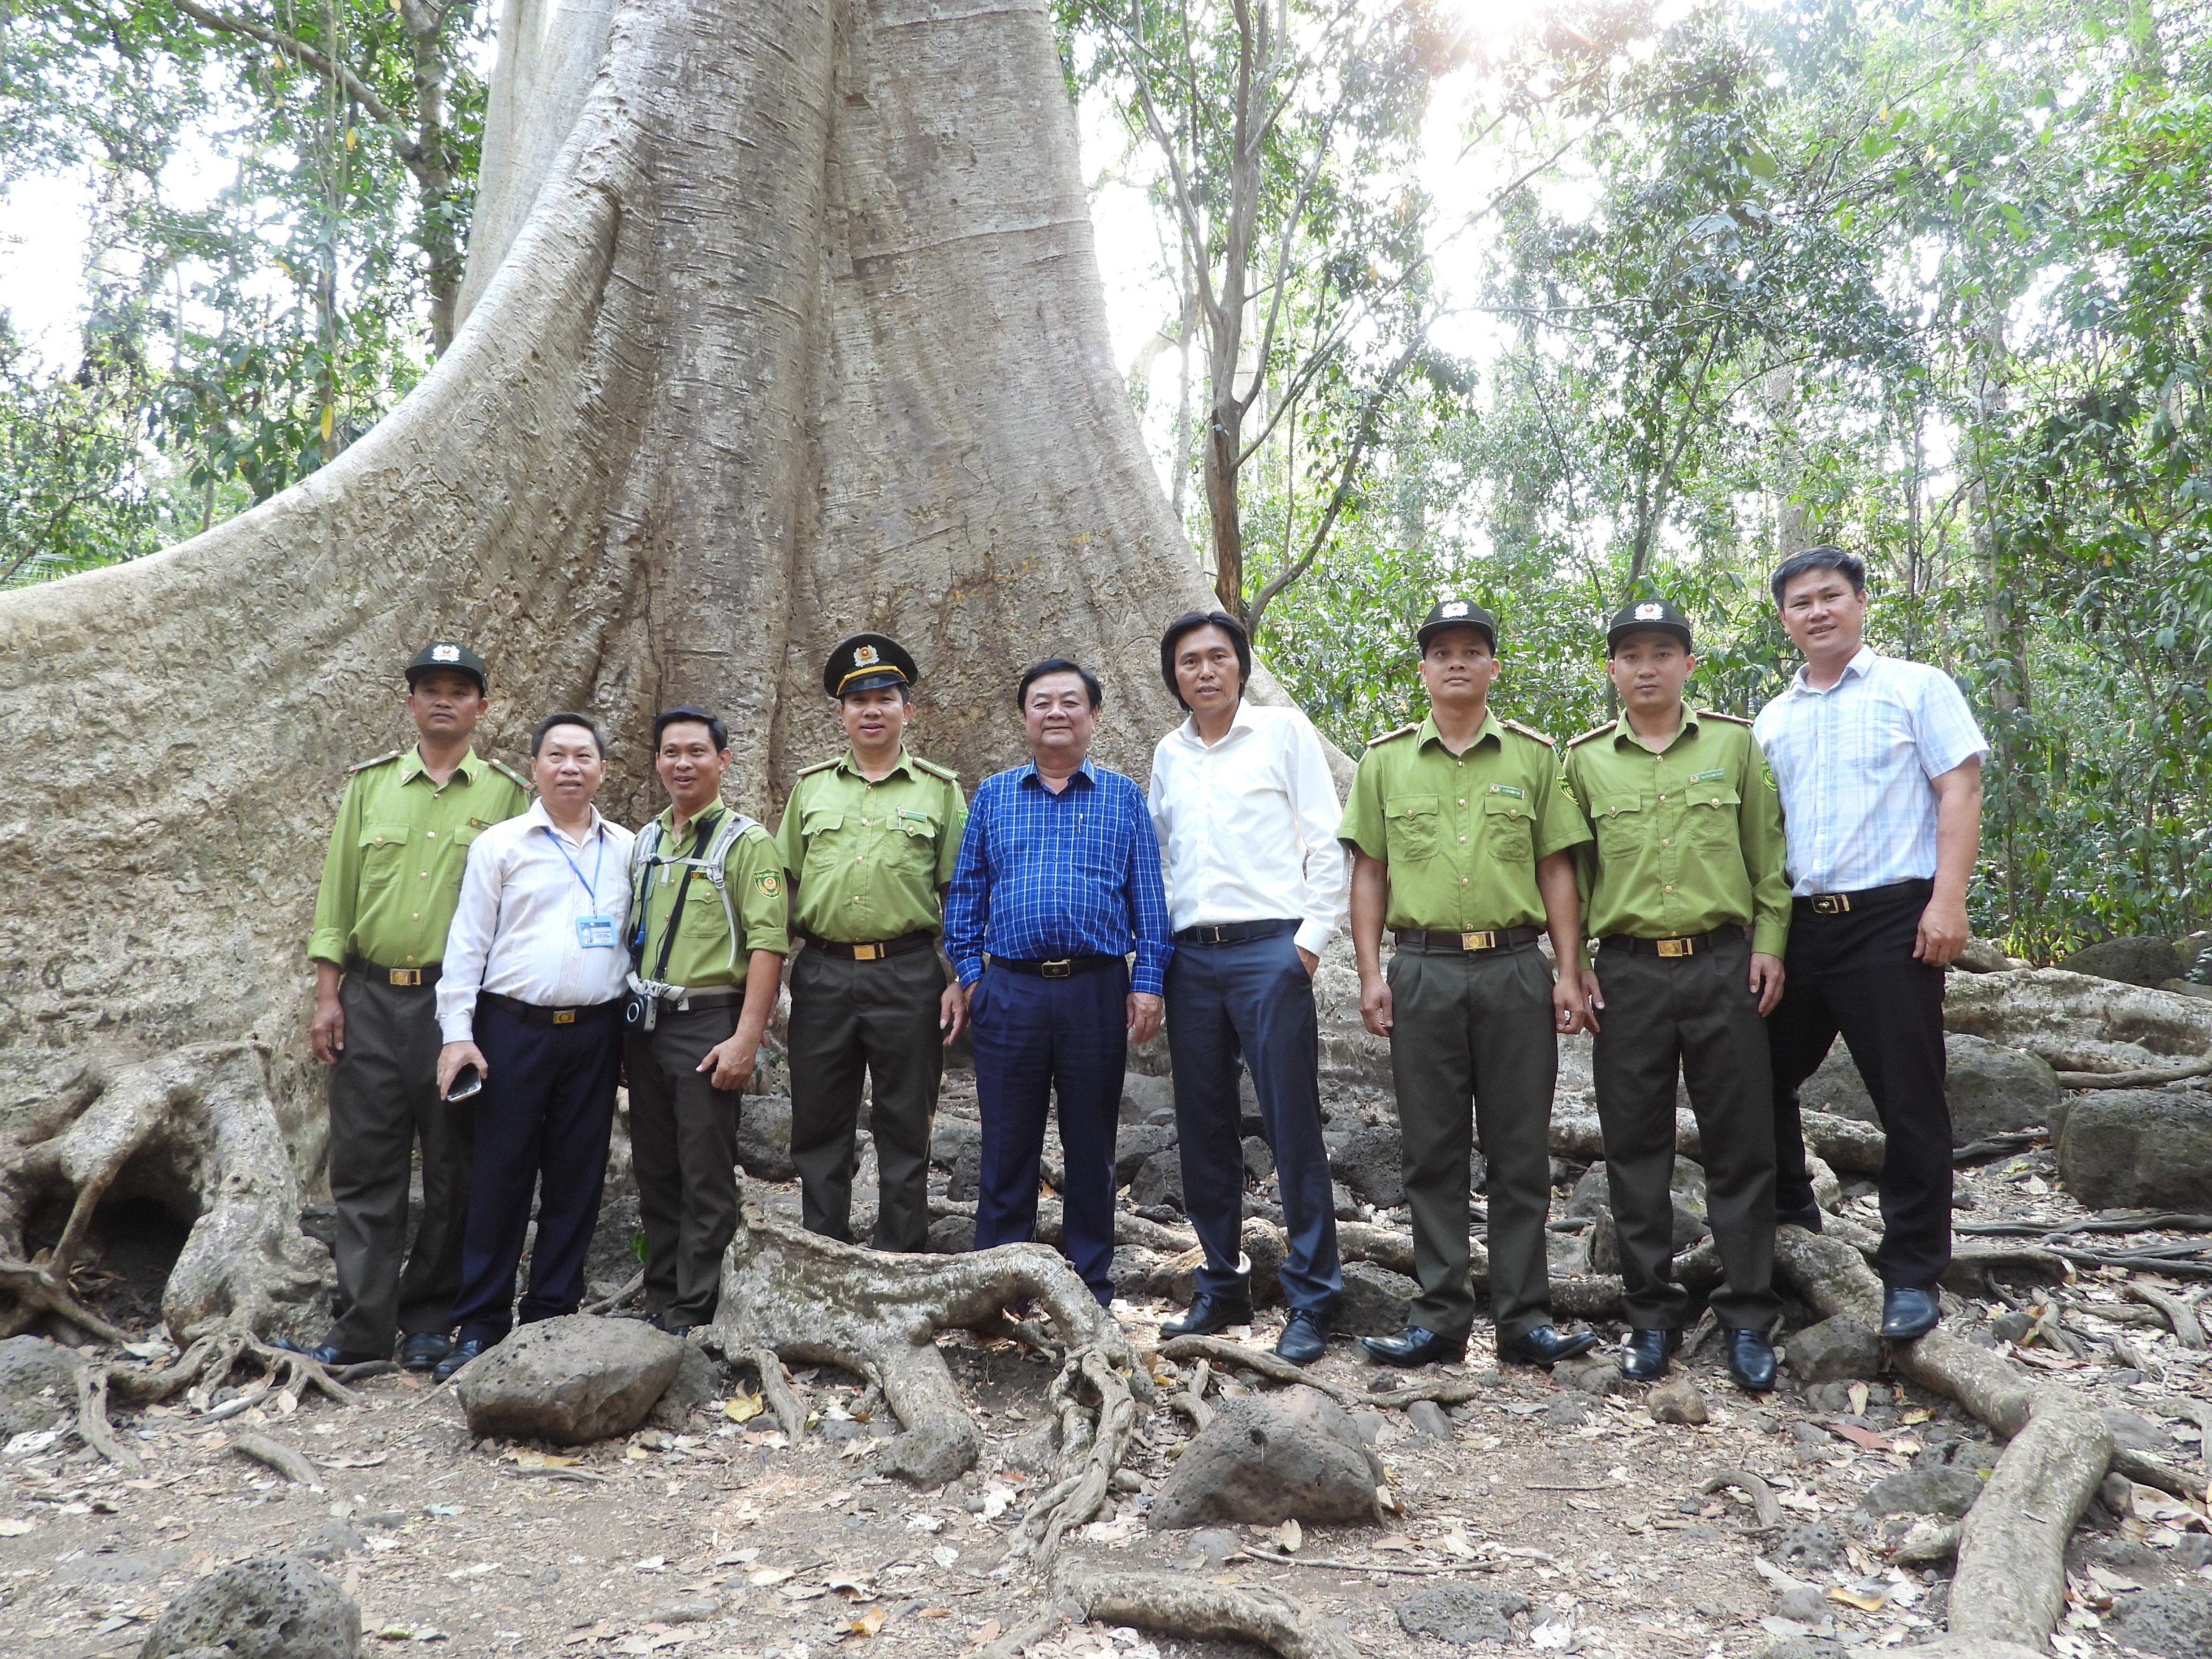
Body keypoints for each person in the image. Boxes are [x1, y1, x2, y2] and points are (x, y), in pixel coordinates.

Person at [1338, 599, 1598, 1368]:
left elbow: (1557, 868)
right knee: (1432, 1150)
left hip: (1517, 968)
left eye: (1472, 650)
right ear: (1423, 669)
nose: (1456, 661)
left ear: (1492, 666)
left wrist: (1569, 971)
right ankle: (1439, 1320)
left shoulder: (1533, 757)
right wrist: (1369, 973)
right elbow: (1370, 873)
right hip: (1423, 970)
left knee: (1521, 1152)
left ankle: (1525, 1322)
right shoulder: (1385, 761)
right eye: (1441, 651)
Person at [1755, 547, 1986, 1341]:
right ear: (1784, 620)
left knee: (1908, 1097)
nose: (1817, 612)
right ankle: (1791, 1214)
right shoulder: (1773, 718)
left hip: (1892, 920)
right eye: (1800, 604)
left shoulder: (1915, 688)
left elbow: (1959, 786)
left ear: (1859, 602)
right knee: (1756, 1073)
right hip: (1798, 923)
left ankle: (1913, 1270)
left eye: (1831, 597)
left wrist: (1946, 900)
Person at [1562, 597, 1791, 1391]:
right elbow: (1573, 877)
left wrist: (1769, 948)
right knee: (1635, 1150)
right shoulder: (1585, 761)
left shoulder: (1732, 745)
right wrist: (1577, 964)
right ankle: (1651, 1317)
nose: (1647, 667)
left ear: (1688, 664)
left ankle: (1747, 1315)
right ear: (1613, 670)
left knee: (1740, 1145)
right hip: (1625, 973)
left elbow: (1768, 859)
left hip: (1725, 967)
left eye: (1663, 652)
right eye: (1631, 655)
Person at [291, 642, 530, 1373]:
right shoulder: (370, 788)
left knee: (454, 1164)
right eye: (431, 689)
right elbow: (336, 896)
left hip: (454, 1007)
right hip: (366, 997)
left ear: (482, 708)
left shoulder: (506, 796)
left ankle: (430, 1315)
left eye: (460, 690)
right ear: (410, 703)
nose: (444, 700)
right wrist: (329, 997)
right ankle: (362, 1325)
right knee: (366, 1167)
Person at [1147, 611, 1346, 1364]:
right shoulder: (1169, 752)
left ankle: (1313, 1297)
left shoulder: (1284, 734)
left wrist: (1309, 942)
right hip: (1191, 958)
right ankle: (1223, 1285)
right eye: (1190, 661)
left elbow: (1326, 836)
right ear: (1175, 676)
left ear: (1241, 666)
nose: (1204, 670)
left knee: (1293, 1126)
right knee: (1202, 1127)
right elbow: (1165, 858)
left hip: (1271, 951)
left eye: (1218, 657)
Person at [942, 659, 1172, 1307]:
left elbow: (1149, 902)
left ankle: (1089, 1286)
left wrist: (1148, 982)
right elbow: (965, 895)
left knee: (1091, 1141)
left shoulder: (1124, 798)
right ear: (1025, 718)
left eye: (1070, 702)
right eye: (1041, 702)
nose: (1055, 713)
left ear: (1094, 717)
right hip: (1009, 990)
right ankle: (996, 1284)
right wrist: (970, 975)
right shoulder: (992, 795)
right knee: (1007, 1140)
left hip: (1095, 990)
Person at [431, 713, 636, 1380]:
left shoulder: (630, 848)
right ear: (534, 769)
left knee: (578, 1176)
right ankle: (482, 1322)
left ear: (603, 770)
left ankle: (551, 1313)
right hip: (510, 1030)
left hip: (597, 1033)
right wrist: (457, 1035)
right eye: (556, 755)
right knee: (500, 1174)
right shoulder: (501, 845)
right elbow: (467, 945)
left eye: (584, 756)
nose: (570, 767)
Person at [776, 637, 966, 1253]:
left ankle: (900, 1253)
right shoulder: (810, 790)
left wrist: (961, 975)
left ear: (907, 711)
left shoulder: (939, 791)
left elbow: (959, 893)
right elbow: (783, 886)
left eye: (885, 697)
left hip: (908, 972)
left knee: (905, 1122)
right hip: (823, 974)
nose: (871, 709)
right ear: (842, 714)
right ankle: (823, 1250)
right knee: (818, 1122)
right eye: (858, 699)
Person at [625, 707, 788, 1334]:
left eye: (697, 752)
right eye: (671, 752)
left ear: (723, 761)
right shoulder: (646, 842)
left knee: (704, 1168)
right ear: (658, 761)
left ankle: (698, 1305)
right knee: (656, 1167)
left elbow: (768, 944)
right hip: (646, 1023)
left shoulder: (747, 843)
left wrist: (746, 1037)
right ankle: (661, 1292)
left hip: (708, 1022)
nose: (683, 763)